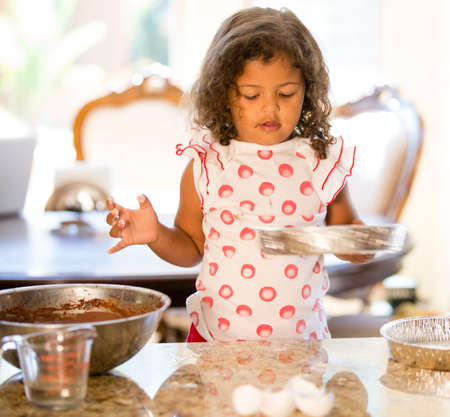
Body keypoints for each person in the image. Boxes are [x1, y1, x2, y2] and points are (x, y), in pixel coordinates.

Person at [106, 7, 373, 342]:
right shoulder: (210, 164)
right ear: (224, 94)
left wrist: (364, 243)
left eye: (286, 93)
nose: (270, 107)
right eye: (251, 94)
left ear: (307, 90)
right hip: (216, 343)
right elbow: (191, 247)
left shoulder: (319, 161)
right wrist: (156, 233)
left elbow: (347, 237)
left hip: (301, 345)